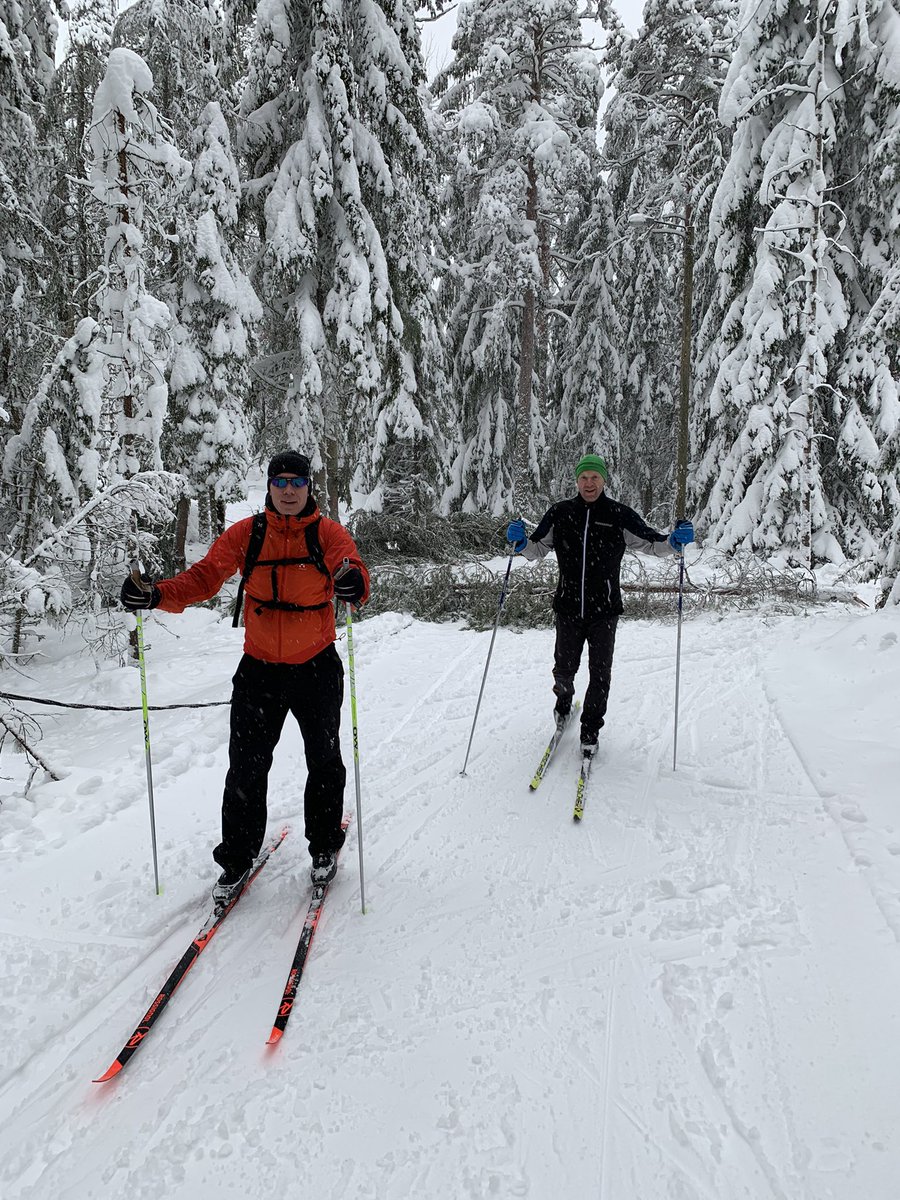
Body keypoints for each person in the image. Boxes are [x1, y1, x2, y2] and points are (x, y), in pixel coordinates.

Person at [120, 451, 369, 904]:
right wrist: (154, 595)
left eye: (297, 481)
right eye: (281, 481)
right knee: (246, 767)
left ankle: (324, 848)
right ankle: (236, 858)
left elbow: (349, 566)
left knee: (324, 761)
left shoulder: (327, 532)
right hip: (259, 671)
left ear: (308, 486)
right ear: (270, 486)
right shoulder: (248, 534)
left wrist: (354, 583)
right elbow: (204, 577)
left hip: (316, 666)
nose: (289, 490)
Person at [506, 453, 693, 757]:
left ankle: (590, 729)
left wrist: (674, 542)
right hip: (567, 608)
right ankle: (564, 704)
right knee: (564, 671)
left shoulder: (619, 514)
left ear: (604, 480)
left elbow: (652, 544)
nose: (589, 483)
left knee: (600, 674)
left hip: (604, 611)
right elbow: (536, 549)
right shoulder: (560, 513)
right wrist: (520, 542)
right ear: (576, 480)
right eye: (584, 477)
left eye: (594, 477)